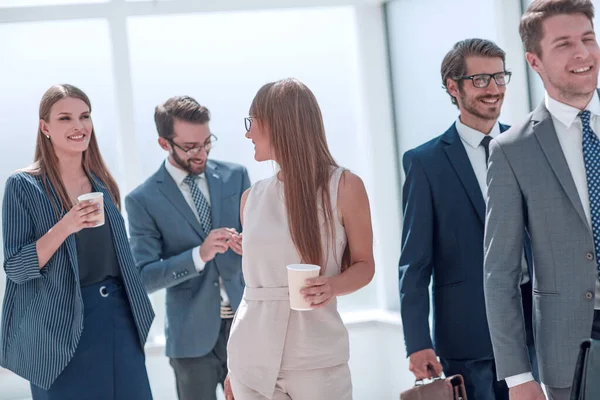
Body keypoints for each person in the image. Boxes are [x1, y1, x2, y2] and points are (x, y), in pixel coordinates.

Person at [398, 39, 537, 400]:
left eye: (500, 77)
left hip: (539, 325)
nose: (493, 89)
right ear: (453, 86)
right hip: (468, 336)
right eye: (480, 80)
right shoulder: (425, 163)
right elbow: (414, 264)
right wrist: (417, 342)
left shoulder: (531, 146)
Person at [0, 84, 154, 399]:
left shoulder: (103, 183)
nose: (78, 126)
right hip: (59, 329)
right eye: (65, 118)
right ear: (45, 127)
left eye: (84, 116)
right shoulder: (23, 186)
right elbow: (16, 267)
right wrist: (67, 225)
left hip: (117, 317)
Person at [223, 78, 375, 400]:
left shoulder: (345, 187)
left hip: (316, 356)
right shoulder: (251, 198)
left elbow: (365, 265)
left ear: (279, 125)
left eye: (252, 122)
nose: (247, 133)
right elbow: (252, 292)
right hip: (249, 359)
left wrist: (332, 286)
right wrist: (234, 367)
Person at [483, 1, 600, 399]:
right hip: (574, 351)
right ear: (535, 61)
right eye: (564, 44)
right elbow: (500, 273)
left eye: (588, 38)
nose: (582, 52)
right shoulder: (513, 150)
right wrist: (518, 377)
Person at [125, 95, 249, 400]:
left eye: (206, 142)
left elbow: (261, 238)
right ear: (164, 144)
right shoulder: (142, 201)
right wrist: (199, 255)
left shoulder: (236, 176)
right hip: (191, 339)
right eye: (191, 146)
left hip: (247, 326)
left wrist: (251, 244)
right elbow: (144, 277)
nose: (201, 153)